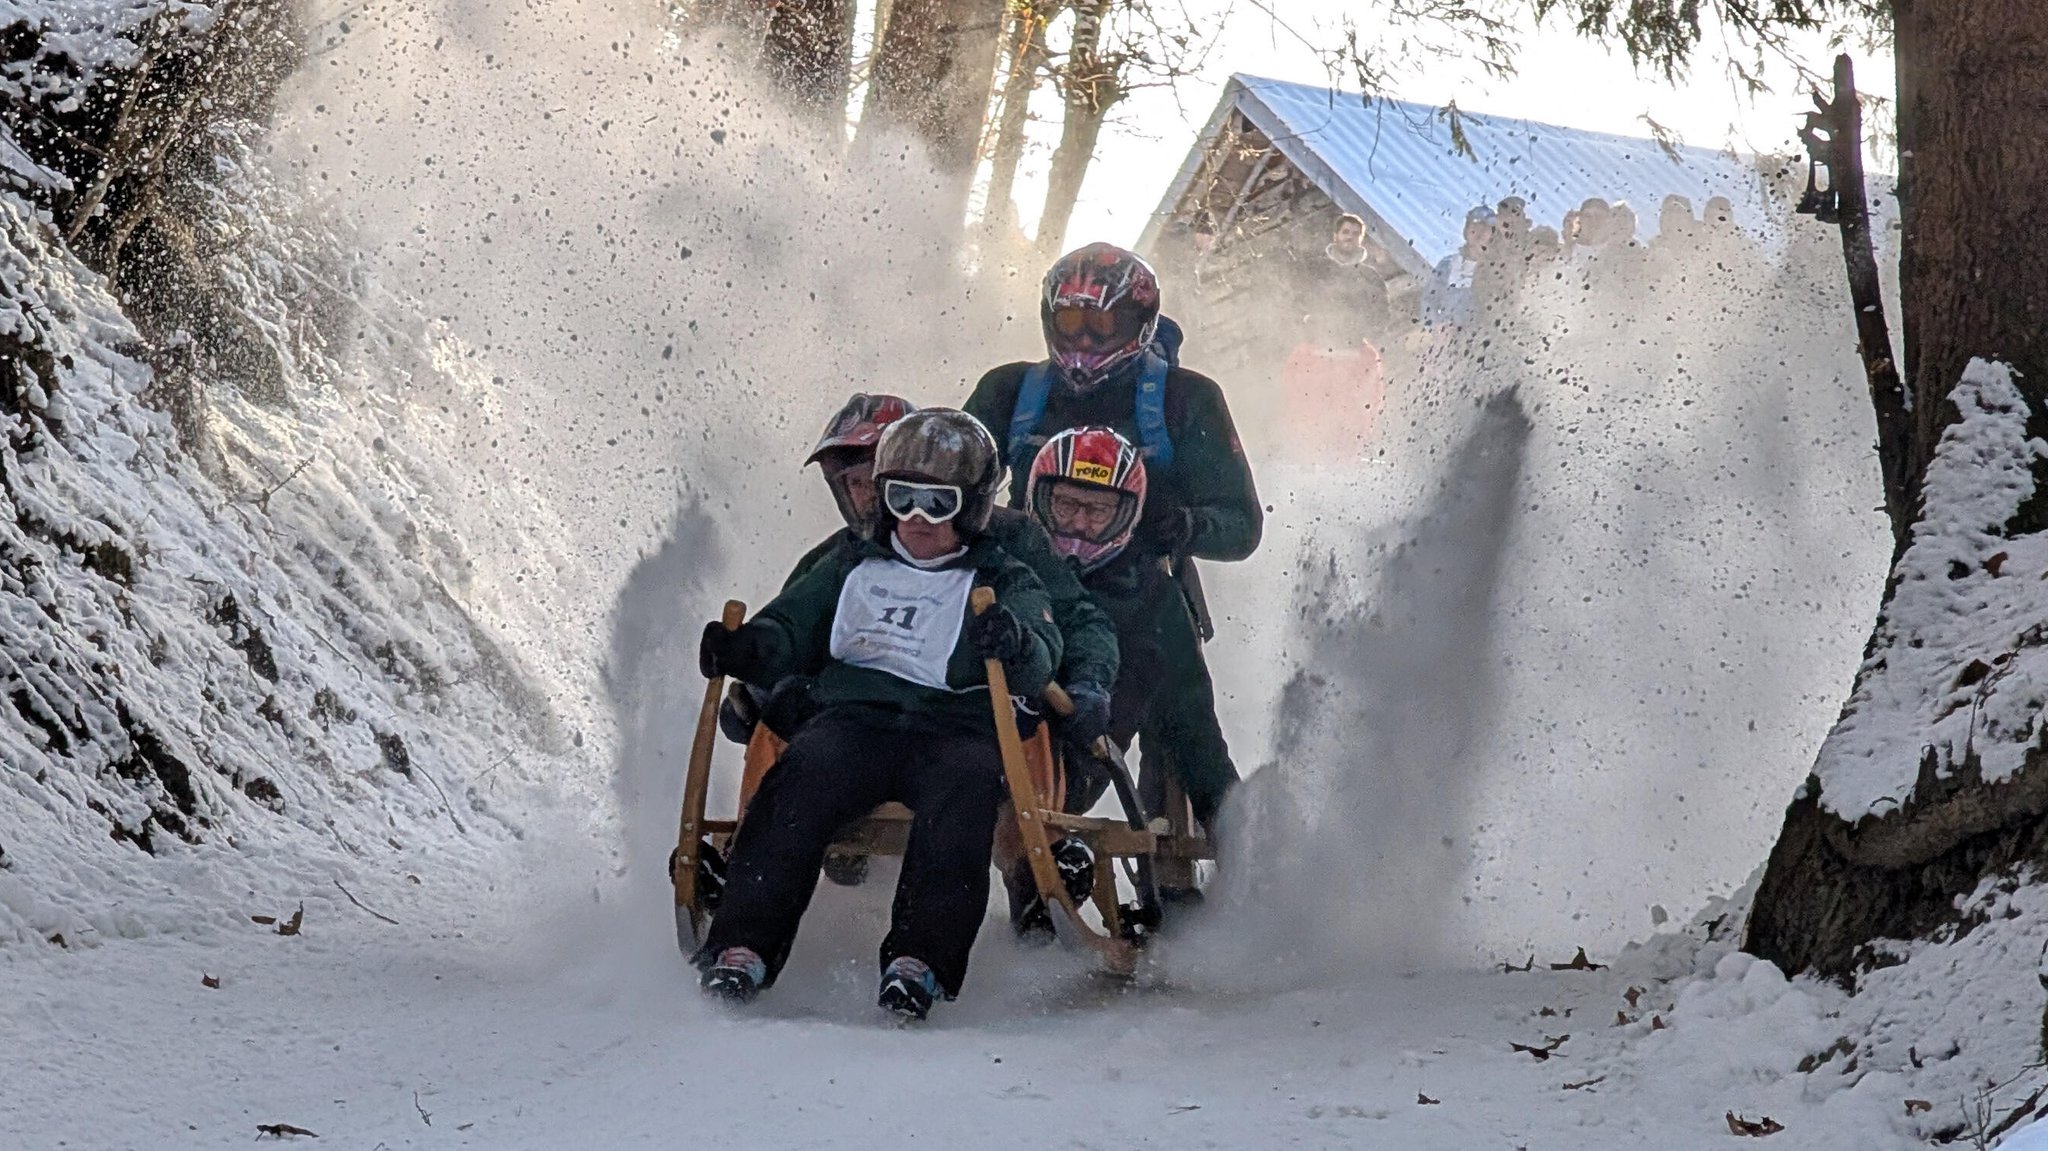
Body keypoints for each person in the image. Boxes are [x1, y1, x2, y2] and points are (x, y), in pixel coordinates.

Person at [694, 409, 1063, 1020]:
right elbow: (793, 623)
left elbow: (1042, 647)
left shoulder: (1000, 575)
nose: (917, 520)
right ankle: (742, 945)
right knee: (800, 779)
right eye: (903, 499)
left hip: (954, 726)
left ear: (971, 508)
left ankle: (920, 959)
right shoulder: (850, 562)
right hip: (854, 719)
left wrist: (1016, 642)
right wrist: (749, 649)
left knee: (965, 793)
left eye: (937, 504)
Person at [720, 392, 1121, 890]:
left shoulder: (1011, 542)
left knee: (1022, 713)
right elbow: (792, 632)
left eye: (877, 482)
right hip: (858, 730)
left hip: (975, 727)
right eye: (855, 485)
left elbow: (1081, 621)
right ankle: (750, 856)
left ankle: (1032, 869)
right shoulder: (840, 556)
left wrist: (1088, 684)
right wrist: (753, 680)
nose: (872, 500)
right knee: (783, 707)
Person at [964, 243, 1261, 849]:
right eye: (1071, 322)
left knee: (1190, 735)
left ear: (1139, 324)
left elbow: (1243, 526)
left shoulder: (1185, 399)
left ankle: (1245, 867)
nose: (1086, 340)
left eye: (1103, 324)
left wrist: (1184, 526)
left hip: (1141, 595)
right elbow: (946, 475)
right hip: (1028, 585)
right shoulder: (1009, 391)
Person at [1423, 205, 1493, 329]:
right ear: (1466, 230)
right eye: (1474, 228)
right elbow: (1428, 300)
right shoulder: (1447, 265)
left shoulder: (1493, 270)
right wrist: (1436, 326)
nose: (1479, 233)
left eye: (1485, 230)